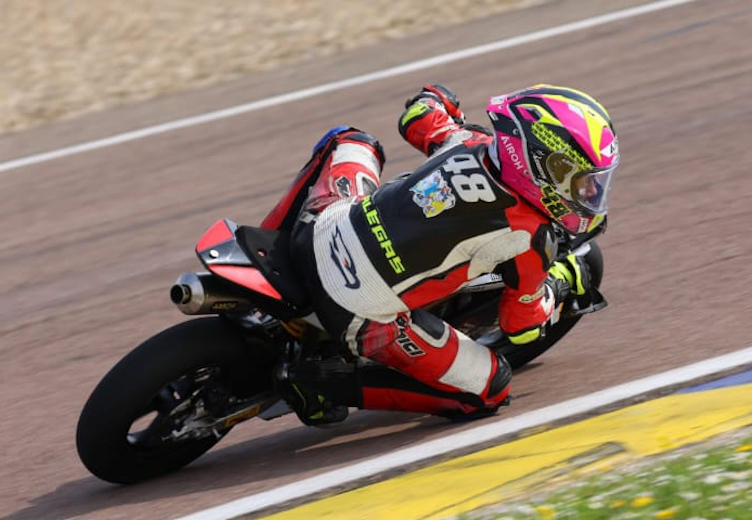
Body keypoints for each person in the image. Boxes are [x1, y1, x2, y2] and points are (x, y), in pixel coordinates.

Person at [261, 83, 619, 425]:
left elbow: (417, 119)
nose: (590, 192)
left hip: (321, 228)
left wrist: (436, 98)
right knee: (491, 389)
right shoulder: (529, 238)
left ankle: (267, 246)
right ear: (540, 164)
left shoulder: (468, 139)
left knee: (351, 141)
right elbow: (522, 328)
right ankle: (319, 385)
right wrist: (560, 283)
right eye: (582, 179)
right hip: (355, 310)